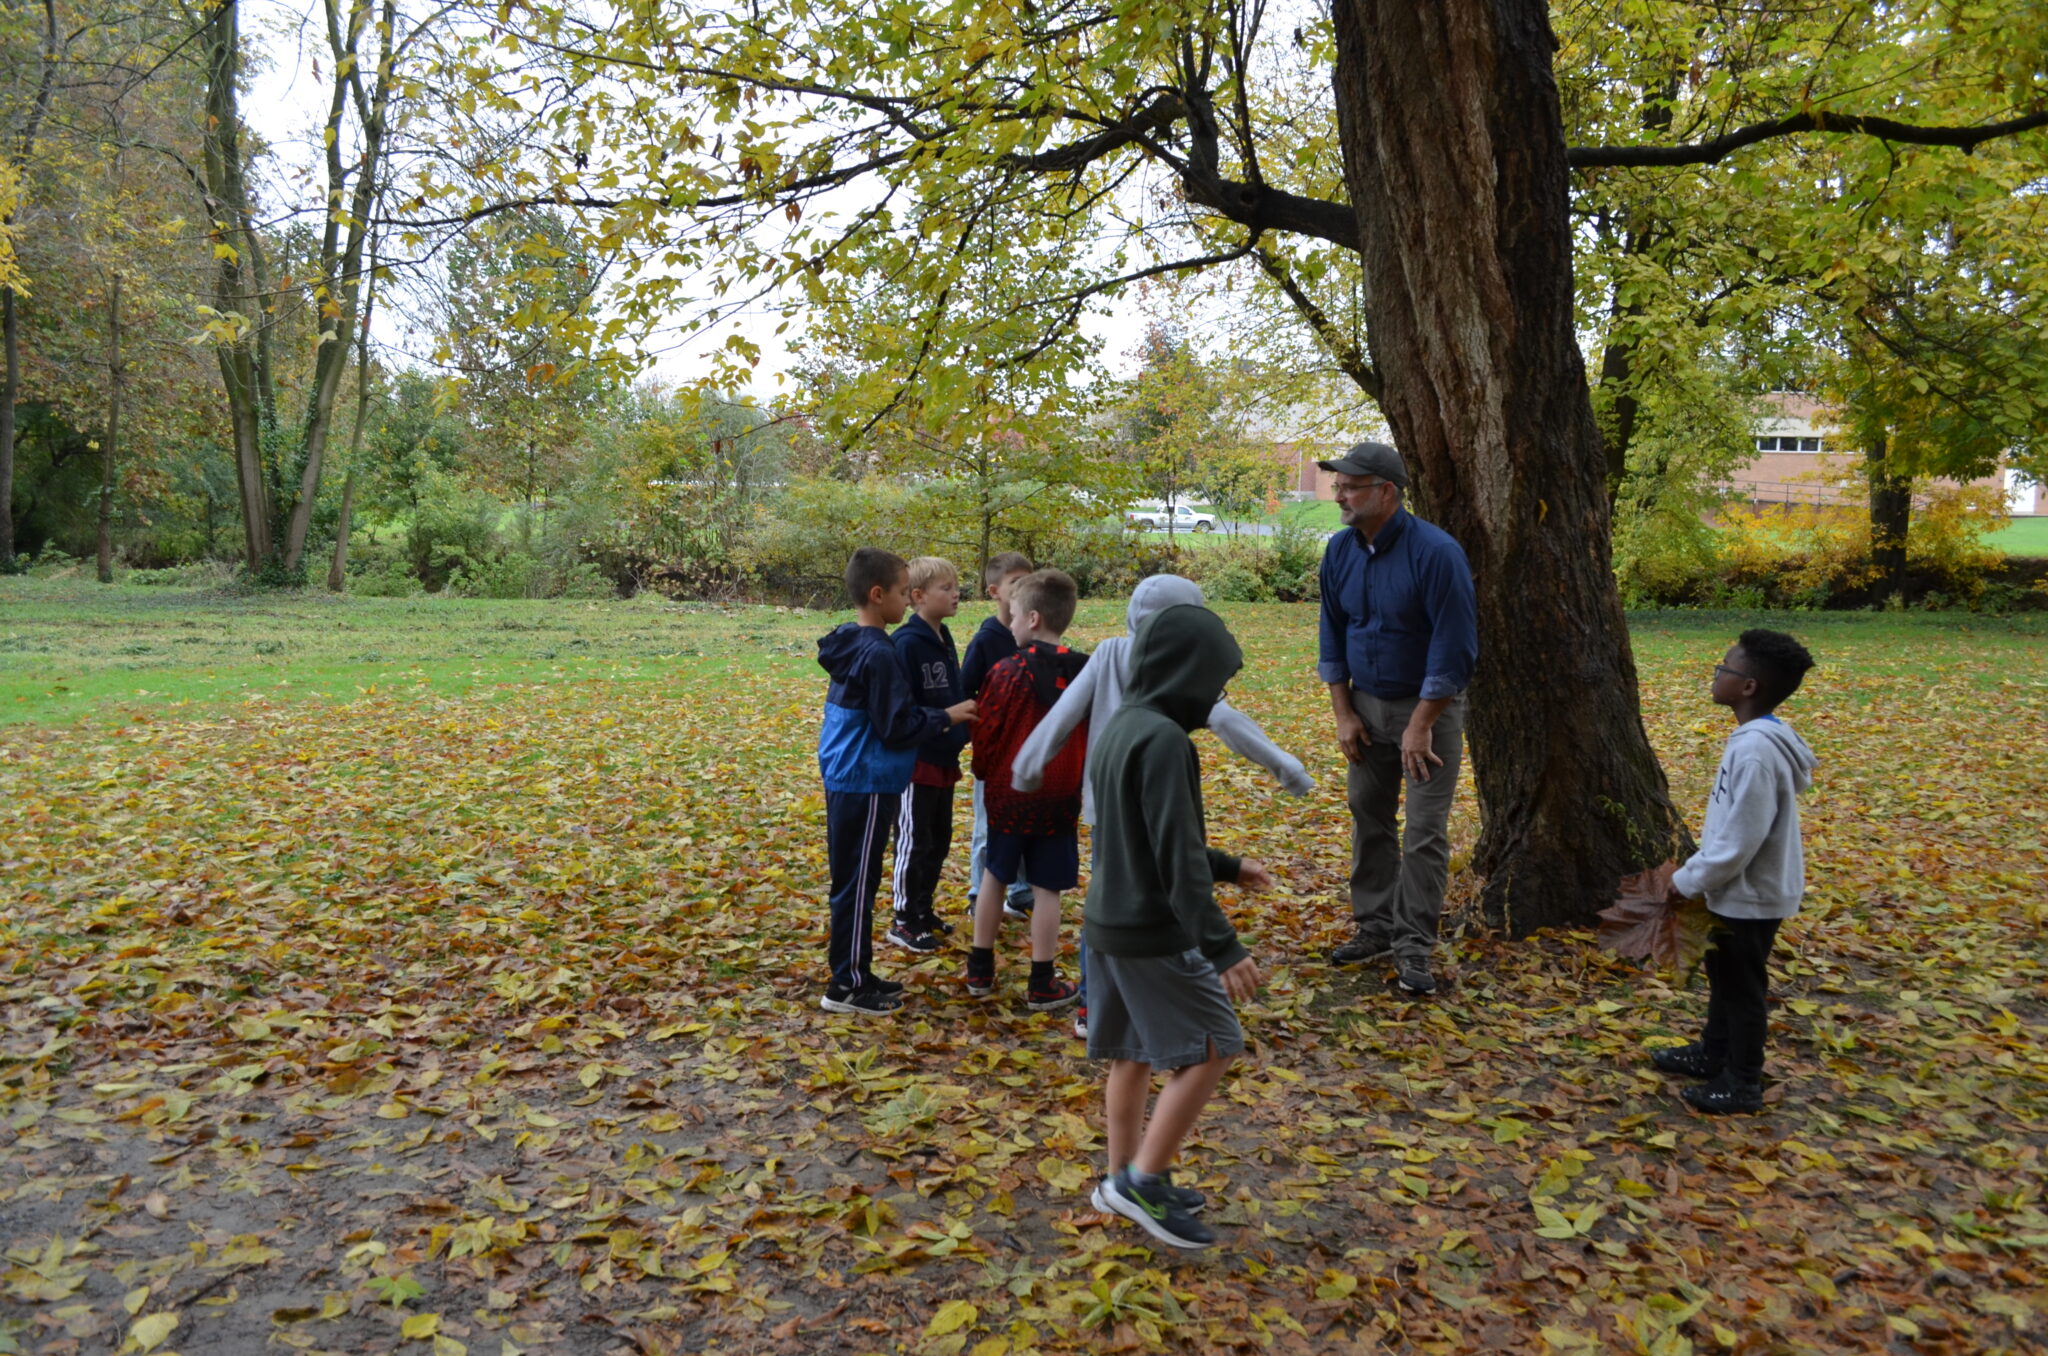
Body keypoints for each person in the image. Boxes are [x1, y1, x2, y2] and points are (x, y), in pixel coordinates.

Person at [1012, 574, 1313, 1038]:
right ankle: (1124, 998)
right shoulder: (1181, 667)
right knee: (1151, 894)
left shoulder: (1112, 652)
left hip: (1105, 800)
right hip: (1153, 799)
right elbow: (1229, 721)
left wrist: (1028, 769)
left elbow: (1063, 715)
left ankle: (1099, 1005)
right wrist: (1287, 769)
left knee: (1108, 894)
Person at [1083, 602, 1273, 1250]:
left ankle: (1117, 1182)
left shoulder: (1123, 726)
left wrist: (1229, 865)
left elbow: (1141, 836)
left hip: (1107, 923)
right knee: (1215, 1043)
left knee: (1133, 1052)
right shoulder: (1165, 742)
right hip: (1150, 931)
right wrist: (1221, 946)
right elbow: (1175, 860)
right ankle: (1144, 1179)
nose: (1220, 695)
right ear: (1184, 672)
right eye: (1215, 680)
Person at [1316, 441, 1477, 997]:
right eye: (1338, 485)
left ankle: (1414, 948)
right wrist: (1343, 712)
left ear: (1387, 492)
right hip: (1365, 708)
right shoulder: (1339, 551)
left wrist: (1422, 722)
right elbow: (1332, 635)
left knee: (1424, 834)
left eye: (1351, 486)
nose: (1340, 493)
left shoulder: (1436, 553)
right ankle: (1375, 928)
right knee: (1369, 817)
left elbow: (1454, 646)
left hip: (1426, 713)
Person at [1652, 629, 1817, 1115]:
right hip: (1739, 892)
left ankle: (1743, 1081)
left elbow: (1738, 842)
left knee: (1743, 988)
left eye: (1724, 668)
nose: (1716, 674)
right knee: (1723, 977)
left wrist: (1685, 881)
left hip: (1749, 893)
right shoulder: (1754, 741)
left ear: (1748, 686)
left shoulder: (1755, 752)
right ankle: (1714, 1052)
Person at [815, 548, 976, 1016]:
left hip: (857, 777)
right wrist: (947, 716)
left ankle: (856, 971)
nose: (908, 601)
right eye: (905, 592)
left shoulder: (859, 642)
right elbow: (896, 726)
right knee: (857, 885)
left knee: (857, 882)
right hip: (863, 779)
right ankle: (846, 985)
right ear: (877, 593)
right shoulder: (879, 652)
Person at [965, 568, 1087, 1011]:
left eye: (1014, 616)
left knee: (995, 876)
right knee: (1046, 888)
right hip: (1059, 795)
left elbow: (989, 731)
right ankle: (1042, 981)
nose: (1010, 623)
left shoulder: (1006, 671)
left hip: (1009, 795)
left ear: (1032, 618)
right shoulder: (1083, 671)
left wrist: (984, 773)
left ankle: (980, 969)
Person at [886, 556, 971, 955]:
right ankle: (903, 919)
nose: (956, 593)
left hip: (944, 759)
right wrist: (942, 721)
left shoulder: (945, 637)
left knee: (938, 839)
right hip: (915, 762)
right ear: (917, 596)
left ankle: (923, 909)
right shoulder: (905, 644)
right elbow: (903, 711)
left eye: (956, 586)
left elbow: (951, 693)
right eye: (946, 588)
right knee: (914, 841)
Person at [962, 552, 1037, 925]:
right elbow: (964, 693)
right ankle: (980, 893)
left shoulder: (1034, 634)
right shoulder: (987, 641)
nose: (1024, 589)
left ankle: (1021, 892)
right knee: (987, 826)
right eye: (1015, 583)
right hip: (993, 754)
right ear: (995, 591)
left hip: (1029, 751)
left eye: (1029, 581)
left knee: (1025, 821)